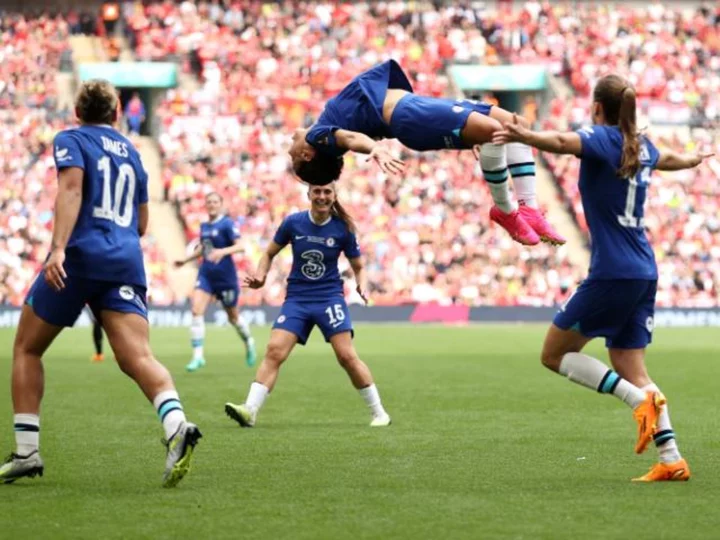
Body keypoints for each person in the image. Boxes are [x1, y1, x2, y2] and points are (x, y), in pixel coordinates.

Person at [493, 74, 712, 482]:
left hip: (613, 271)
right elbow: (666, 160)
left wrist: (525, 134)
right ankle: (672, 458)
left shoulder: (605, 139)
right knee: (631, 366)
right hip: (644, 270)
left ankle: (636, 404)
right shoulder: (640, 146)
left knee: (554, 354)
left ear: (597, 108)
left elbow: (561, 143)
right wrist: (692, 160)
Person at [0, 79, 201, 488]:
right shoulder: (134, 154)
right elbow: (143, 224)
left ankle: (27, 451)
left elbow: (71, 190)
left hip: (79, 258)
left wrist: (58, 249)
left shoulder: (71, 139)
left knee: (26, 347)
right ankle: (176, 425)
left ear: (78, 111)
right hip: (125, 261)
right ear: (115, 114)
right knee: (138, 357)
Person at [288, 59, 565, 247]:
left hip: (416, 107)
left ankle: (528, 207)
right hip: (409, 115)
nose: (290, 144)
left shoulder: (327, 126)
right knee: (494, 131)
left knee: (517, 126)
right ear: (307, 155)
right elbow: (349, 138)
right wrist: (375, 149)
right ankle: (506, 210)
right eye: (292, 155)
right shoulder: (318, 135)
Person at [224, 183, 391, 428]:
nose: (322, 196)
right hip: (297, 299)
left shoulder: (342, 228)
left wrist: (361, 285)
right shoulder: (293, 222)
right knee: (274, 351)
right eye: (317, 192)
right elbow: (269, 253)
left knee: (346, 356)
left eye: (327, 192)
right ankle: (250, 410)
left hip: (329, 298)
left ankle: (379, 413)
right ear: (309, 194)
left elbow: (359, 266)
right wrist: (261, 276)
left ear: (334, 195)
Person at [174, 192, 256, 371]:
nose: (211, 204)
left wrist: (222, 252)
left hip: (225, 278)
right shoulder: (204, 226)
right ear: (205, 204)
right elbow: (204, 248)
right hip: (206, 275)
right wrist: (186, 260)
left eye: (215, 201)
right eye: (209, 201)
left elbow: (241, 246)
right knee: (196, 310)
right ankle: (198, 356)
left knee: (233, 317)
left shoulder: (226, 224)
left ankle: (249, 342)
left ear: (220, 204)